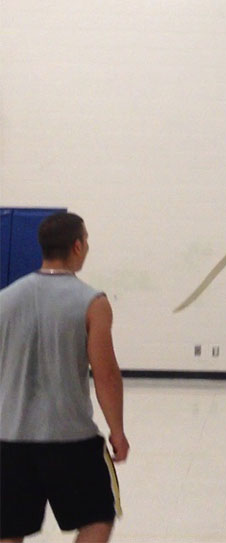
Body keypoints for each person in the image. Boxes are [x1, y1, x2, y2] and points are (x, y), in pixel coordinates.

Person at [0, 212, 129, 543]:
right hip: (70, 439)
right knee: (98, 517)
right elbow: (106, 375)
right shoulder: (92, 302)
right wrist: (117, 431)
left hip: (9, 439)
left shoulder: (5, 299)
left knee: (8, 530)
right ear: (77, 245)